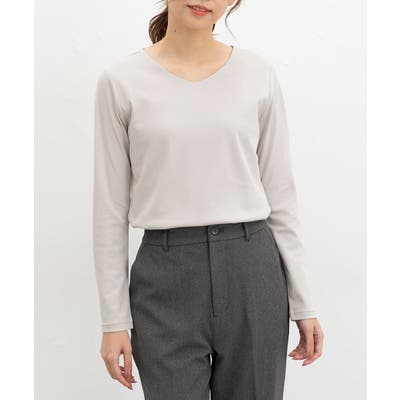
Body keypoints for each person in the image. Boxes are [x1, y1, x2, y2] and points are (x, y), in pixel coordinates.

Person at [92, 1, 324, 399]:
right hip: (164, 281)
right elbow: (109, 210)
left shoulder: (258, 74)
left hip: (253, 273)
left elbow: (281, 196)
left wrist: (303, 303)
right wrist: (113, 321)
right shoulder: (121, 81)